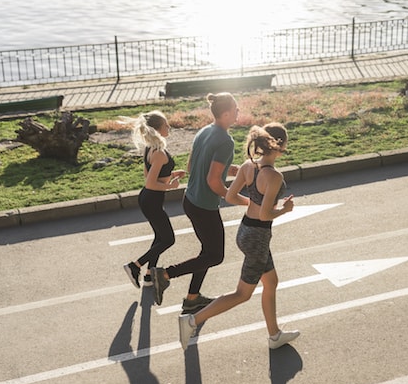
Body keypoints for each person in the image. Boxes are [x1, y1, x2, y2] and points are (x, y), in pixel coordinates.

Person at [177, 123, 300, 350]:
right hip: (257, 238)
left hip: (245, 230)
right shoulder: (274, 177)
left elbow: (231, 196)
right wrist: (285, 209)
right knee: (242, 294)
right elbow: (265, 215)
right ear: (280, 144)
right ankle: (192, 320)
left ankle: (274, 335)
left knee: (271, 282)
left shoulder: (248, 166)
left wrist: (253, 202)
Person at [151, 92, 240, 310]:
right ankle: (165, 274)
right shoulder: (226, 141)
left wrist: (231, 169)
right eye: (236, 110)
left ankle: (192, 298)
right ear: (226, 114)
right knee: (216, 256)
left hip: (190, 200)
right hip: (204, 207)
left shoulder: (204, 131)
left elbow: (193, 166)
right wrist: (233, 196)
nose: (238, 113)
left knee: (206, 253)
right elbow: (213, 180)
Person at [122, 111, 185, 291]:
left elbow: (149, 175)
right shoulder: (159, 152)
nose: (169, 128)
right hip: (151, 200)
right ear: (157, 129)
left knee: (160, 237)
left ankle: (149, 276)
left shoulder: (151, 148)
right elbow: (151, 183)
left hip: (149, 199)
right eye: (166, 125)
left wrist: (171, 175)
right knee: (168, 239)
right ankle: (135, 266)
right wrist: (170, 186)